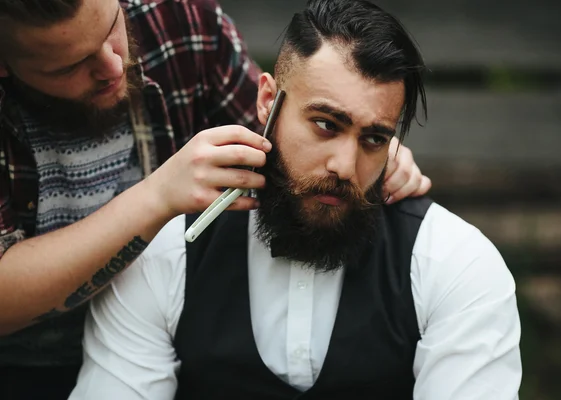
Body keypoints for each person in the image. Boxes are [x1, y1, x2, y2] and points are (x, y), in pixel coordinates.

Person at [68, 0, 522, 399]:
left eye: (374, 138)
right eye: (326, 123)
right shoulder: (166, 253)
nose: (345, 166)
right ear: (267, 100)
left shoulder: (455, 263)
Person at [0, 0, 430, 398]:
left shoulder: (179, 20)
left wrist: (365, 146)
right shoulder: (160, 259)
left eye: (112, 28)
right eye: (70, 66)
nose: (114, 65)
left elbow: (280, 121)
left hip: (162, 340)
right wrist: (155, 198)